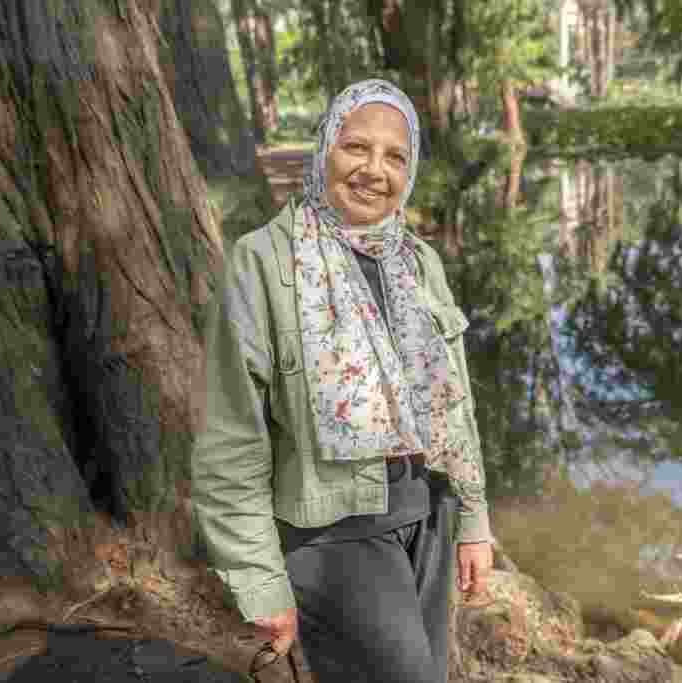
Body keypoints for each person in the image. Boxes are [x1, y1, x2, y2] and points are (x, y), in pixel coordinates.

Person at [191, 78, 493, 683]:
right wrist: (259, 579)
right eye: (357, 147)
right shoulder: (263, 263)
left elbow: (454, 406)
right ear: (325, 147)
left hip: (429, 514)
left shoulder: (417, 260)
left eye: (395, 156)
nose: (374, 171)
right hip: (334, 536)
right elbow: (232, 440)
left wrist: (473, 520)